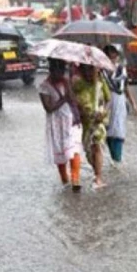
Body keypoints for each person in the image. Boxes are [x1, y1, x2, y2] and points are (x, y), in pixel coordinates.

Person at [38, 58, 83, 192]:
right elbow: (48, 108)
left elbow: (73, 99)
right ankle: (65, 180)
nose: (61, 73)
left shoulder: (66, 81)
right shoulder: (44, 86)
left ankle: (75, 180)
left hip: (71, 120)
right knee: (61, 152)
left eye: (63, 70)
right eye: (58, 70)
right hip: (56, 123)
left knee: (74, 149)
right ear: (51, 70)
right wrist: (63, 99)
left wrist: (68, 88)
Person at [73, 64, 110, 190]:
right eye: (86, 70)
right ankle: (97, 173)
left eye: (92, 70)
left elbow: (108, 100)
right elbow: (72, 99)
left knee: (97, 146)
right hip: (85, 123)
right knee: (89, 153)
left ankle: (98, 177)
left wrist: (104, 112)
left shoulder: (101, 84)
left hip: (98, 122)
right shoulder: (78, 84)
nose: (89, 73)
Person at [102, 44, 137, 165]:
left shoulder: (121, 69)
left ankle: (117, 159)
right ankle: (113, 157)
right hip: (105, 100)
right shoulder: (100, 70)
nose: (112, 56)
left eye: (114, 54)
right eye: (109, 54)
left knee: (118, 130)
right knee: (106, 129)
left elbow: (126, 87)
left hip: (119, 101)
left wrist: (133, 104)